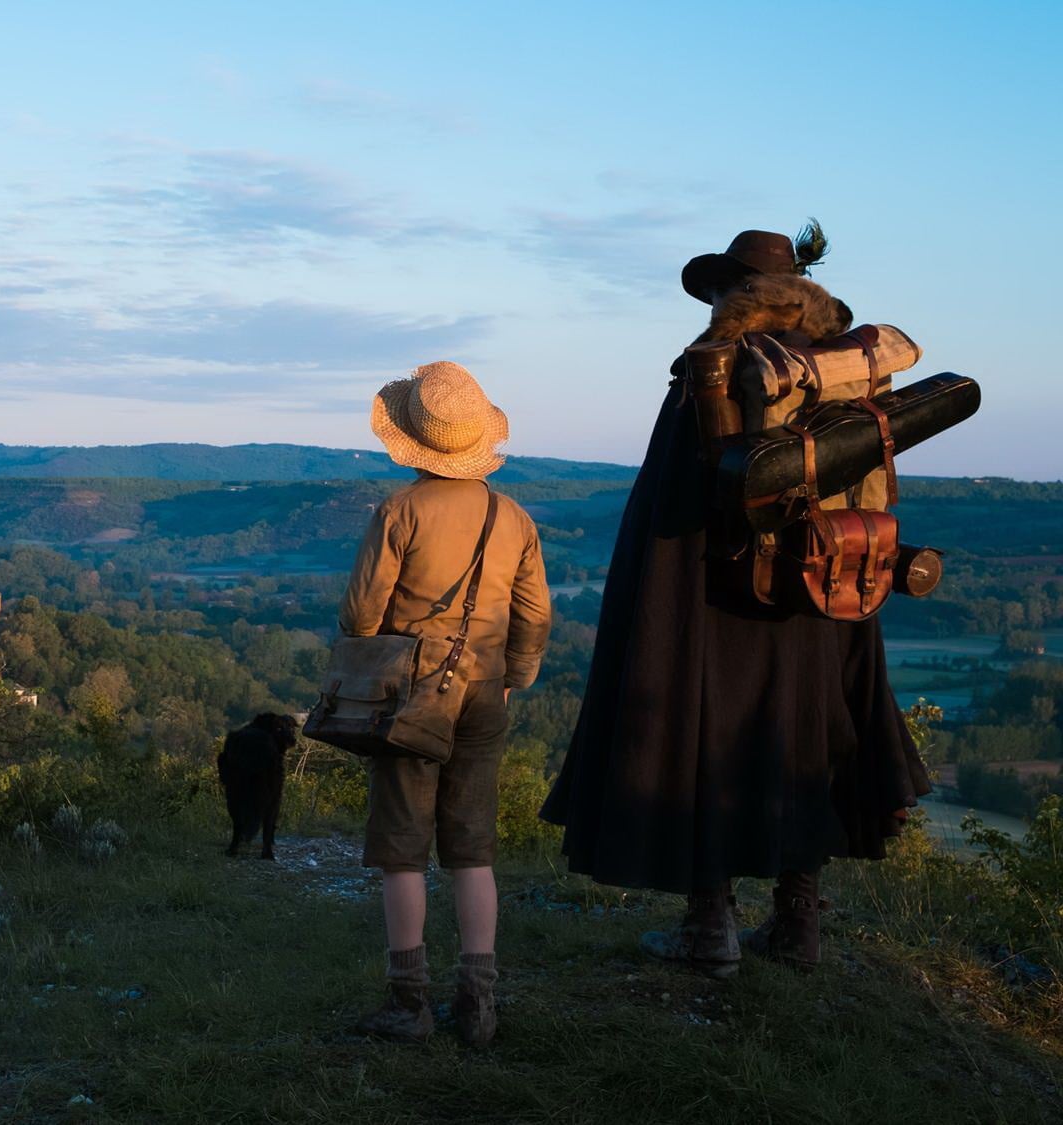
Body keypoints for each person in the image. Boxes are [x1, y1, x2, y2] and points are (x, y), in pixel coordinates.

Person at [538, 227, 931, 976]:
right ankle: (797, 925)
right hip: (823, 597)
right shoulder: (846, 377)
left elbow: (669, 509)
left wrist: (653, 610)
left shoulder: (716, 373)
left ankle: (709, 927)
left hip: (721, 601)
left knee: (707, 742)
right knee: (807, 738)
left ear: (735, 294)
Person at [341, 361, 551, 1046]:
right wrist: (514, 673)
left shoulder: (400, 510)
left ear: (417, 440)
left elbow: (361, 612)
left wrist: (374, 656)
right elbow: (536, 615)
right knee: (471, 848)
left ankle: (409, 1003)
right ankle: (479, 1003)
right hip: (487, 690)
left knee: (403, 847)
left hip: (411, 693)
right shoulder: (513, 516)